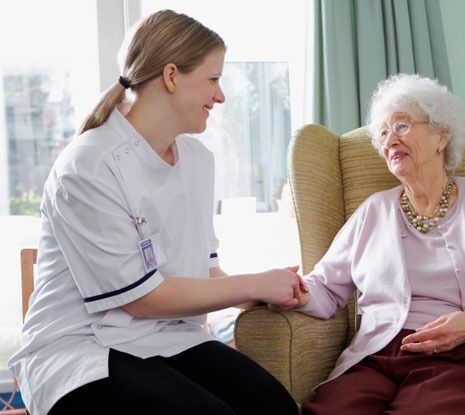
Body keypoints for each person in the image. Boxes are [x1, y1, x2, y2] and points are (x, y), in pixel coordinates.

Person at [9, 10, 300, 415]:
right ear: (170, 76)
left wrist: (258, 296)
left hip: (165, 337)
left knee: (273, 407)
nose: (221, 96)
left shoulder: (198, 160)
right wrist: (255, 285)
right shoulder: (89, 165)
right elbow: (141, 299)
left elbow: (204, 271)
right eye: (213, 79)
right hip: (81, 349)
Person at [271, 74, 465, 414]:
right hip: (376, 355)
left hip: (463, 355)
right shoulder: (373, 211)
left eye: (403, 125)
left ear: (441, 135)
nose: (389, 139)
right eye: (382, 133)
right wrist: (295, 292)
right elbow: (325, 287)